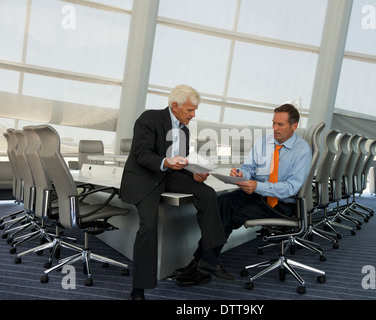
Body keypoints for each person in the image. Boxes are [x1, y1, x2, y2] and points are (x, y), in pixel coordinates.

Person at [119, 85, 230, 300]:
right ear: (175, 106)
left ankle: (209, 257)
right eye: (190, 110)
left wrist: (194, 173)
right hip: (145, 178)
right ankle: (138, 289)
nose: (193, 115)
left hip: (169, 177)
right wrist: (165, 161)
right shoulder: (149, 119)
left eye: (195, 110)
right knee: (149, 225)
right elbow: (142, 154)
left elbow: (180, 162)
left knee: (207, 193)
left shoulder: (184, 130)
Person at [199, 103, 312, 267]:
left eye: (280, 124)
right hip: (259, 194)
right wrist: (240, 174)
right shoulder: (264, 142)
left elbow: (291, 187)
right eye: (273, 123)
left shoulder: (302, 150)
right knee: (222, 202)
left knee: (227, 217)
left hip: (281, 204)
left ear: (294, 126)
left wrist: (257, 187)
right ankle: (203, 263)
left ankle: (201, 264)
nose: (275, 128)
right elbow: (249, 168)